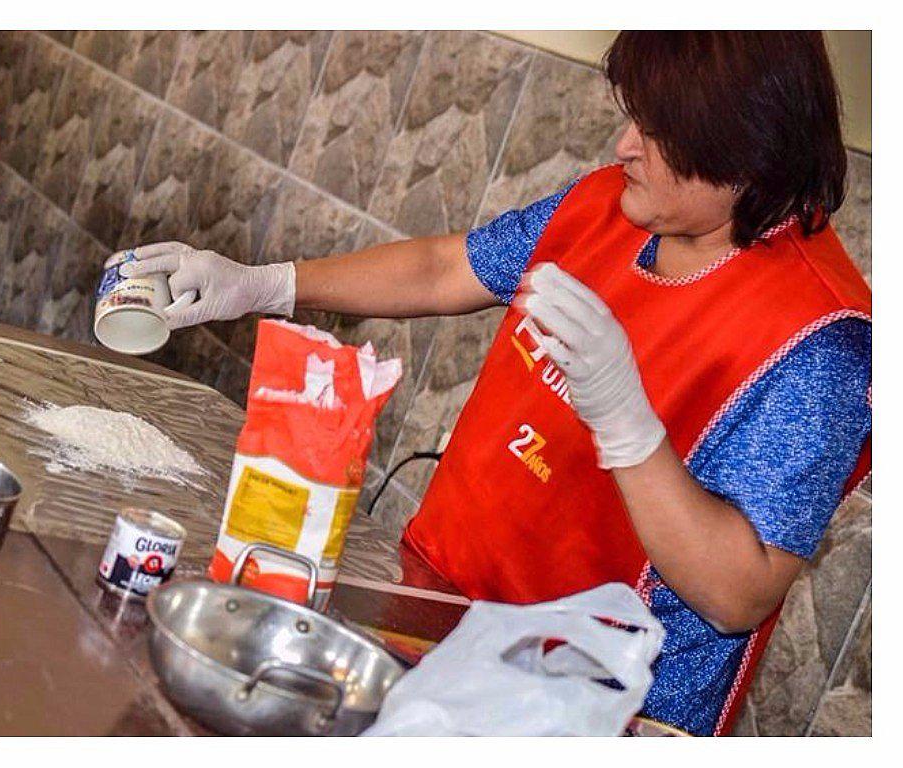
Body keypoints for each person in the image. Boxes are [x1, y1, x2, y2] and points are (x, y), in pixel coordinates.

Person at [113, 31, 870, 735]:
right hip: (439, 607)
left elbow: (740, 593)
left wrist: (629, 431)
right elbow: (449, 268)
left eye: (654, 131)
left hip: (585, 702)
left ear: (742, 152)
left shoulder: (817, 341)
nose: (623, 145)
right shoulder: (607, 205)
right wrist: (263, 284)